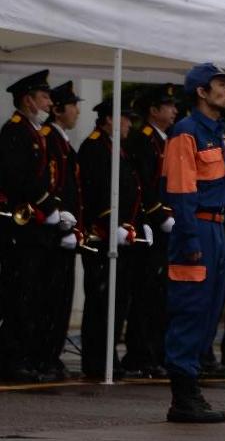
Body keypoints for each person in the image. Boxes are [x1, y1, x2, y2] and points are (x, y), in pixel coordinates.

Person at [162, 63, 225, 422]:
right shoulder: (187, 133)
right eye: (220, 84)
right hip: (196, 229)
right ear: (201, 91)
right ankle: (183, 399)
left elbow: (221, 188)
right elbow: (181, 192)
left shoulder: (212, 132)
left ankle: (191, 391)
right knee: (190, 312)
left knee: (210, 312)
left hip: (213, 229)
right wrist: (189, 240)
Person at [2, 71, 76, 383]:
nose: (48, 103)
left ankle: (29, 357)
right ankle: (13, 359)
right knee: (20, 297)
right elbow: (19, 177)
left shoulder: (35, 133)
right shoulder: (16, 131)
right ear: (28, 100)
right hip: (22, 228)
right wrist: (49, 206)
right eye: (43, 97)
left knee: (33, 298)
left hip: (37, 227)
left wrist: (58, 210)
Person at [77, 100, 146, 380]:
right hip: (102, 235)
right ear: (108, 119)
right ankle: (96, 359)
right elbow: (95, 190)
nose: (129, 123)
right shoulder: (95, 147)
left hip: (120, 234)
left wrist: (134, 223)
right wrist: (111, 223)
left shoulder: (113, 146)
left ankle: (108, 355)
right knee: (101, 300)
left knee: (117, 302)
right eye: (124, 118)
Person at [122, 85, 177, 378]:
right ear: (153, 111)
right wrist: (157, 214)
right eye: (167, 105)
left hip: (164, 224)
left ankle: (153, 351)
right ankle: (140, 353)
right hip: (151, 226)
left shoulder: (162, 139)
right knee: (146, 295)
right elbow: (142, 183)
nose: (174, 110)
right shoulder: (145, 140)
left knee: (158, 296)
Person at [39, 81, 84, 381]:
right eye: (72, 105)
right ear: (58, 109)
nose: (77, 111)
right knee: (47, 299)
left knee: (61, 299)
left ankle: (50, 355)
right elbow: (47, 181)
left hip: (64, 230)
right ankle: (41, 356)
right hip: (49, 231)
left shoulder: (62, 140)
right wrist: (57, 213)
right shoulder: (48, 138)